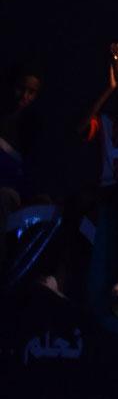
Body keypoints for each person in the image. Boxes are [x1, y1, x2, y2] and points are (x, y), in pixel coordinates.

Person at [38, 44, 118, 302]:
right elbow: (80, 128)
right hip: (108, 189)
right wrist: (111, 87)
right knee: (76, 200)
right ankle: (59, 277)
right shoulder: (106, 123)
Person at [1, 63, 45, 264]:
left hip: (10, 194)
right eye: (21, 88)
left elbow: (28, 176)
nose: (24, 96)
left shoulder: (31, 129)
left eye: (31, 92)